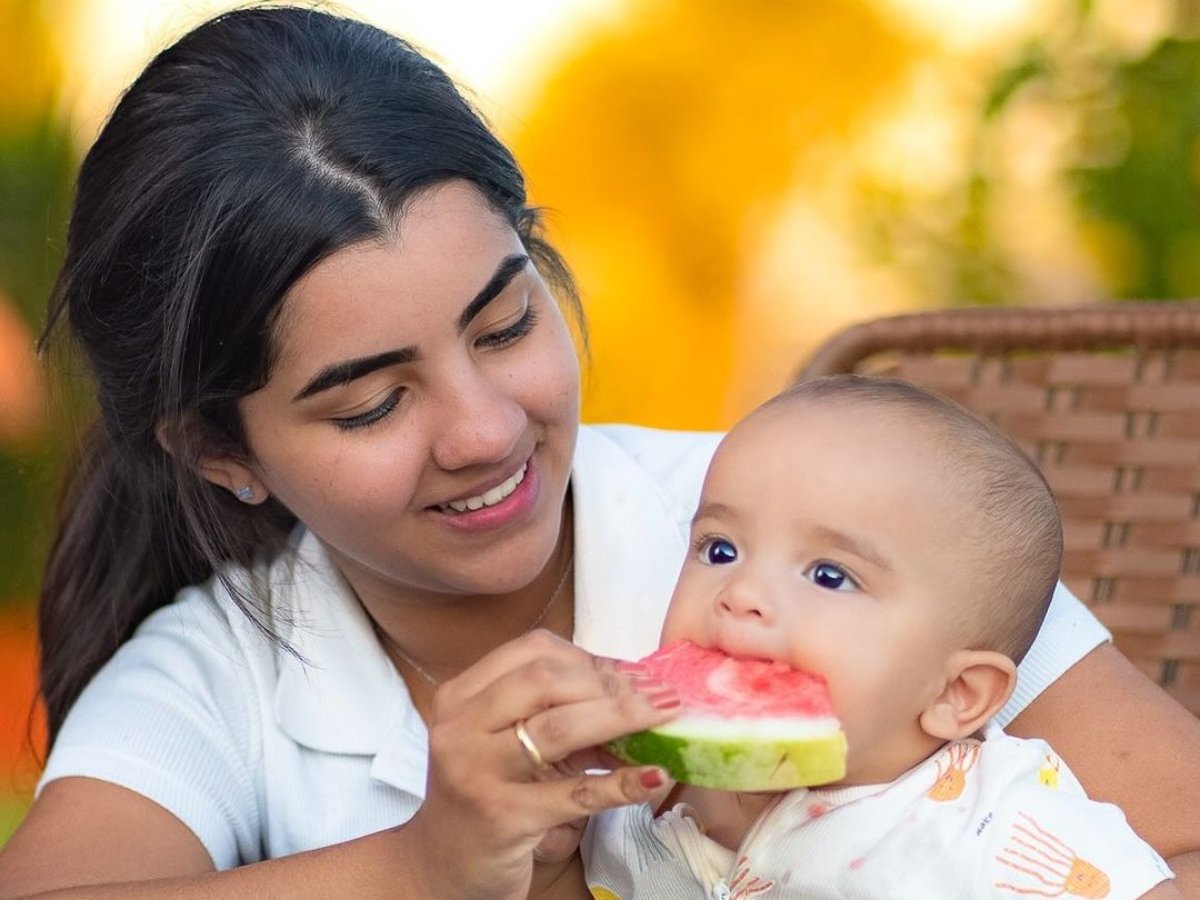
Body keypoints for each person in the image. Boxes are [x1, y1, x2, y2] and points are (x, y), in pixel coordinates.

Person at [0, 6, 1196, 899]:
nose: (483, 431)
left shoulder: (826, 522)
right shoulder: (221, 671)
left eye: (506, 324)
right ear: (221, 450)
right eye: (371, 402)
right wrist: (421, 865)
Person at [583, 375, 1179, 899]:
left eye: (829, 576)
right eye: (720, 549)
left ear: (959, 695)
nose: (741, 592)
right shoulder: (635, 806)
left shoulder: (996, 825)